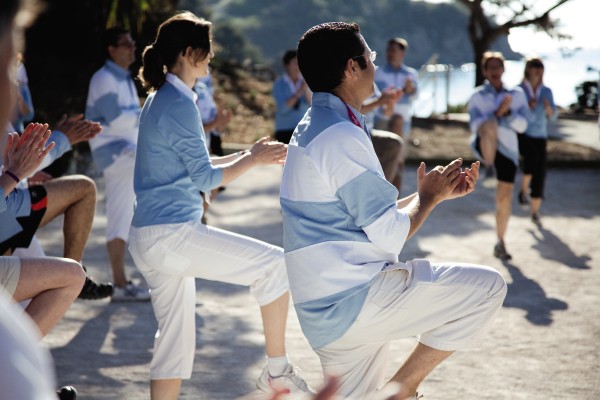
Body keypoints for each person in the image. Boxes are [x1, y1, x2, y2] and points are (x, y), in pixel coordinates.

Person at [281, 22, 507, 399]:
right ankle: (402, 392)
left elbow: (361, 218)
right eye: (369, 58)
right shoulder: (339, 135)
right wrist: (428, 198)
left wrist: (432, 194)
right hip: (352, 301)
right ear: (351, 68)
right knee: (487, 288)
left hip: (325, 310)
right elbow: (387, 232)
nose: (376, 67)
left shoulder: (314, 126)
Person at [128, 12, 314, 399]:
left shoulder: (163, 98)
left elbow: (200, 167)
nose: (212, 59)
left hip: (150, 236)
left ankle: (276, 372)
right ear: (189, 53)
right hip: (170, 235)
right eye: (208, 52)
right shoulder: (177, 104)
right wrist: (254, 159)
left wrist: (249, 154)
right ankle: (277, 372)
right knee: (276, 266)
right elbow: (207, 180)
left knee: (173, 343)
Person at [85, 27, 149, 302]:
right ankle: (121, 285)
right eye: (126, 44)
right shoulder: (103, 79)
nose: (133, 48)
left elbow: (128, 119)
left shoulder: (122, 78)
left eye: (133, 43)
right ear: (112, 49)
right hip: (116, 155)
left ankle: (122, 283)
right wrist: (146, 110)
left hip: (126, 153)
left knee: (123, 217)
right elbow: (118, 120)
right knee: (122, 217)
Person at [468, 51, 529, 260]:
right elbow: (476, 126)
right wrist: (496, 114)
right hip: (485, 148)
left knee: (503, 200)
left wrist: (508, 113)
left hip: (508, 151)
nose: (494, 71)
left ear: (503, 69)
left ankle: (500, 241)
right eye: (490, 67)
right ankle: (490, 167)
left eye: (497, 67)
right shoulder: (477, 96)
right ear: (485, 71)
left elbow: (523, 126)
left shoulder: (517, 95)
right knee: (490, 123)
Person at [372, 37, 419, 192]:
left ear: (402, 53)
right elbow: (375, 94)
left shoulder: (411, 74)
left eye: (394, 50)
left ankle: (393, 196)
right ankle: (392, 197)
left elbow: (415, 95)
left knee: (397, 161)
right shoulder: (378, 72)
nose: (390, 53)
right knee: (390, 159)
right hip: (382, 118)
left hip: (401, 121)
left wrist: (409, 90)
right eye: (389, 50)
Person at [517, 57, 556, 225]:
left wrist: (548, 108)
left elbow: (553, 116)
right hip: (523, 134)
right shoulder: (519, 90)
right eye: (534, 66)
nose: (538, 69)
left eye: (540, 66)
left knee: (540, 173)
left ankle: (534, 212)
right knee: (531, 159)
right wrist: (526, 106)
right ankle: (524, 189)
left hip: (541, 135)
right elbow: (512, 113)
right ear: (528, 69)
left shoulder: (546, 91)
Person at [272, 49, 311, 144]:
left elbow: (311, 104)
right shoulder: (279, 84)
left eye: (300, 63)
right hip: (284, 130)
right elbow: (283, 108)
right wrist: (299, 92)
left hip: (303, 130)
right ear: (287, 65)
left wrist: (305, 89)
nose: (298, 66)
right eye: (295, 63)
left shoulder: (305, 82)